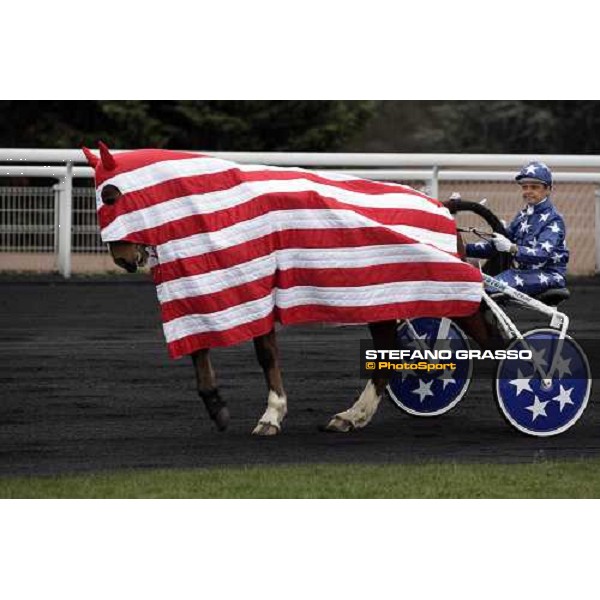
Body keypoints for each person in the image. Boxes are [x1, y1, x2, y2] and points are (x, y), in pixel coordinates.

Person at [466, 161, 569, 296]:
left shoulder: (554, 219)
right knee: (476, 283)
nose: (528, 191)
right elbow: (497, 246)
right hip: (522, 273)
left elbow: (541, 254)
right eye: (525, 187)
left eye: (534, 187)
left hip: (549, 275)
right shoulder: (523, 215)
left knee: (485, 286)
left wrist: (512, 248)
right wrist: (463, 248)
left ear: (548, 189)